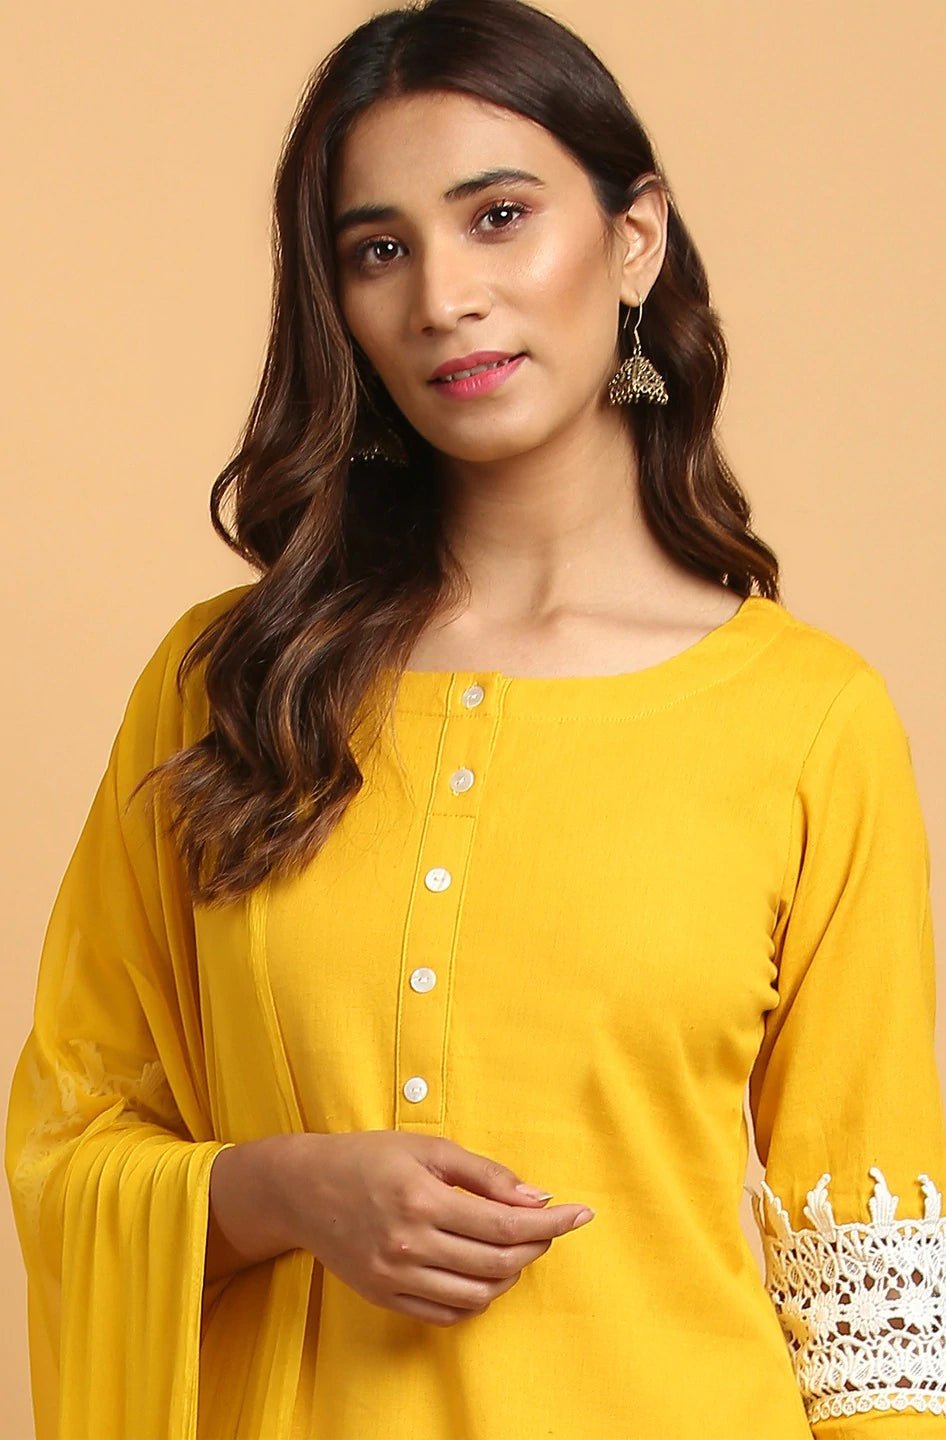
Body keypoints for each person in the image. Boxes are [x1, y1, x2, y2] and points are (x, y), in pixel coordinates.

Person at [6, 0, 946, 1436]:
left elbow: (877, 1319)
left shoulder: (807, 718)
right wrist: (284, 1191)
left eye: (498, 217)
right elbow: (66, 1148)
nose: (443, 296)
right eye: (378, 250)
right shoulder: (231, 683)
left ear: (634, 238)